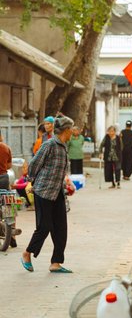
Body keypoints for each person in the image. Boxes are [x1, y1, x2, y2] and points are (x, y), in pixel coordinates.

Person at [21, 115, 75, 274]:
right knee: (44, 227)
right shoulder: (49, 144)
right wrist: (31, 182)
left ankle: (56, 263)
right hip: (43, 192)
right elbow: (34, 165)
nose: (73, 132)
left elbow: (60, 169)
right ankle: (27, 253)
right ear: (66, 130)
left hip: (57, 192)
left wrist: (66, 181)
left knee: (61, 229)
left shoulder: (63, 146)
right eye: (71, 129)